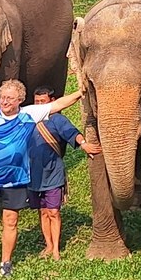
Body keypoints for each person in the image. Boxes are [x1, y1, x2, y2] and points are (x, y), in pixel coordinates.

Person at [0, 79, 84, 280]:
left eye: (10, 98)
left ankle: (5, 263)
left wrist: (82, 91)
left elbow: (58, 104)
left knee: (10, 221)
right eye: (2, 97)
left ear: (20, 100)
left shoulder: (28, 115)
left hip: (15, 182)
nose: (5, 101)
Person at [25, 86, 99, 259]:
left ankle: (56, 249)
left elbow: (72, 133)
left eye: (43, 102)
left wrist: (84, 144)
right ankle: (48, 245)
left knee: (53, 212)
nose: (39, 105)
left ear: (52, 101)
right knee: (43, 211)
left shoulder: (57, 119)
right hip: (33, 174)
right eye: (37, 102)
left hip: (53, 173)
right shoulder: (27, 118)